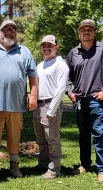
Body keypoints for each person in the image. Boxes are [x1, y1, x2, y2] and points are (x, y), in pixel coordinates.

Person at [0, 19, 39, 177]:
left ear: (16, 33)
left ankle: (14, 166)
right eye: (6, 29)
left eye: (13, 29)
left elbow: (33, 75)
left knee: (14, 136)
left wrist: (33, 95)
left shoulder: (24, 51)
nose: (9, 32)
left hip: (16, 103)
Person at [66, 19, 103, 183]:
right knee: (83, 135)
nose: (86, 32)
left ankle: (102, 169)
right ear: (79, 33)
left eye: (89, 29)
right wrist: (69, 91)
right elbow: (66, 76)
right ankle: (85, 165)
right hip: (80, 100)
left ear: (95, 32)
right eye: (83, 30)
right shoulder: (73, 53)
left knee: (99, 134)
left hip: (97, 99)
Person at [34, 35, 69, 179]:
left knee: (52, 138)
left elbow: (61, 89)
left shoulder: (61, 65)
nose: (46, 48)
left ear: (56, 47)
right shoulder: (40, 65)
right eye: (44, 45)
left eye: (50, 45)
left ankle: (55, 168)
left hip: (50, 105)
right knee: (41, 138)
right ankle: (43, 163)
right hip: (38, 104)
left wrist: (52, 110)